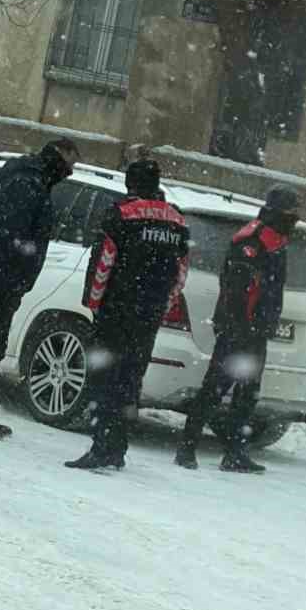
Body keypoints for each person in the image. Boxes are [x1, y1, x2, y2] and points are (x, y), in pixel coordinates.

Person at [66, 158, 189, 471]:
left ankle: (101, 447)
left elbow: (104, 263)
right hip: (148, 316)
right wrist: (162, 305)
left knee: (106, 378)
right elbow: (180, 273)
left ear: (130, 183)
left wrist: (94, 304)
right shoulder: (177, 220)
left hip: (117, 311)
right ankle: (118, 447)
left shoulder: (121, 214)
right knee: (131, 381)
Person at [0, 137, 80, 440]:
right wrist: (16, 274)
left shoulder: (28, 180)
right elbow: (11, 235)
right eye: (69, 164)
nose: (70, 172)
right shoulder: (28, 184)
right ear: (56, 159)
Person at [175, 184, 300, 474]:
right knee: (215, 389)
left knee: (247, 394)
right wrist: (242, 326)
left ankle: (235, 453)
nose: (294, 218)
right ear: (278, 211)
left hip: (257, 331)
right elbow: (237, 290)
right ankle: (187, 447)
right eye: (291, 212)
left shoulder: (276, 240)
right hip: (239, 328)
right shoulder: (252, 240)